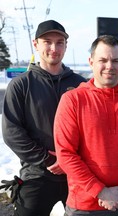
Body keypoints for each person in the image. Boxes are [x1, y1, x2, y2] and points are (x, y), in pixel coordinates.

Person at [53, 34, 118, 216]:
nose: (109, 66)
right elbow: (65, 153)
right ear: (91, 62)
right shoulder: (73, 100)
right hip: (84, 206)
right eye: (103, 60)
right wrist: (100, 191)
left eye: (115, 61)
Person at [1, 20, 86, 216]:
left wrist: (70, 161)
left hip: (76, 175)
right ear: (36, 44)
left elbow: (93, 130)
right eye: (47, 41)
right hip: (36, 175)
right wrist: (47, 159)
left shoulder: (82, 85)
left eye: (59, 42)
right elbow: (12, 133)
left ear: (66, 45)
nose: (53, 48)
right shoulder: (21, 85)